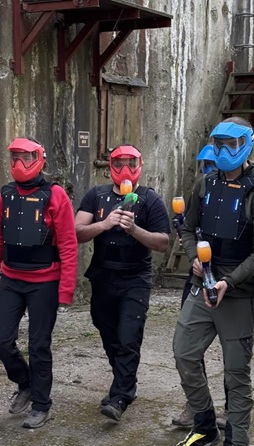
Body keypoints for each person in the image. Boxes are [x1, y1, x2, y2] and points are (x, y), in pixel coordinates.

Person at [171, 117, 254, 446]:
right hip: (203, 286)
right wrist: (195, 259)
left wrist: (229, 282)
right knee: (184, 353)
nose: (223, 151)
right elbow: (188, 228)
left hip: (238, 294)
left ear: (246, 144)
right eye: (218, 144)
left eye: (230, 145)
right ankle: (204, 425)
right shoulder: (206, 182)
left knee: (235, 374)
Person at [0, 136, 78, 429]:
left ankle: (41, 404)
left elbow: (68, 244)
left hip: (44, 281)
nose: (19, 163)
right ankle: (24, 382)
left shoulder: (56, 195)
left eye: (26, 157)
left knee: (39, 346)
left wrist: (66, 289)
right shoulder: (6, 195)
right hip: (11, 278)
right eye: (14, 157)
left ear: (40, 160)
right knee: (1, 340)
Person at [75, 145, 171, 422]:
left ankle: (120, 396)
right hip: (103, 276)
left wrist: (134, 229)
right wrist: (104, 224)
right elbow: (76, 231)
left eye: (131, 163)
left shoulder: (150, 199)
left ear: (140, 165)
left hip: (135, 278)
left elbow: (163, 242)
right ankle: (125, 382)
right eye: (119, 164)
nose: (125, 170)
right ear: (110, 167)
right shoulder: (97, 195)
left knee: (129, 337)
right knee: (108, 334)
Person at [171, 143, 227, 431]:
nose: (208, 170)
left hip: (229, 281)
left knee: (232, 352)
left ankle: (231, 408)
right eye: (205, 165)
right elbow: (190, 230)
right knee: (189, 347)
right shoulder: (201, 189)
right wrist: (185, 235)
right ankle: (195, 404)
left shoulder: (241, 191)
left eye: (212, 165)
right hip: (198, 277)